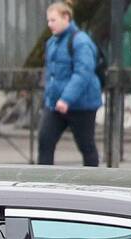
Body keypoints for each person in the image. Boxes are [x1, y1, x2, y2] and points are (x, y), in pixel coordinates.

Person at [38, 1, 102, 167]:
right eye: (48, 21)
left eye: (53, 20)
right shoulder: (52, 42)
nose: (49, 24)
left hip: (82, 104)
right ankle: (42, 183)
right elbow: (52, 73)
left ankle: (93, 183)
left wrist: (66, 99)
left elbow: (83, 73)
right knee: (45, 140)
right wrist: (48, 99)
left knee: (86, 146)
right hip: (56, 104)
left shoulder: (80, 41)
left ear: (66, 17)